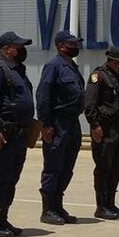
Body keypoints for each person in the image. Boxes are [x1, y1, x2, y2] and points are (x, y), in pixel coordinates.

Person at [0, 31, 36, 237]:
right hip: (3, 135)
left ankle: (3, 219)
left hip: (19, 136)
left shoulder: (19, 71)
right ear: (6, 49)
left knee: (11, 179)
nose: (22, 50)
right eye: (18, 46)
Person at [85, 47, 119, 219]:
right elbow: (90, 103)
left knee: (115, 167)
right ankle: (101, 206)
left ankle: (111, 203)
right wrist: (95, 125)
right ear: (115, 62)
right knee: (103, 167)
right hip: (105, 129)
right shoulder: (98, 76)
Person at [36, 29, 85, 226]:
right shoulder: (53, 65)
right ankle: (47, 209)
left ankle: (58, 205)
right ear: (61, 46)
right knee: (53, 167)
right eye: (72, 44)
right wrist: (46, 124)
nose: (76, 47)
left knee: (67, 167)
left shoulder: (72, 66)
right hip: (57, 122)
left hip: (72, 122)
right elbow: (43, 95)